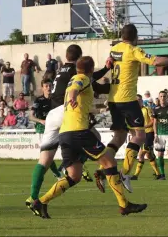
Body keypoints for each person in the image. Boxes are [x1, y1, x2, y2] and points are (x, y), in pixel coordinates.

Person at [32, 56, 147, 218]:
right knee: (109, 162)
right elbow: (76, 88)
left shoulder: (76, 77)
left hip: (65, 133)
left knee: (74, 175)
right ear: (91, 69)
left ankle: (40, 202)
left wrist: (108, 74)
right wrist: (72, 96)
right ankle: (124, 205)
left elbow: (82, 86)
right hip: (79, 132)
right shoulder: (81, 78)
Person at [94, 23, 168, 193]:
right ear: (135, 37)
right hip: (127, 99)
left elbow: (112, 62)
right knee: (140, 136)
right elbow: (156, 61)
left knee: (120, 136)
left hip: (113, 100)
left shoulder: (115, 48)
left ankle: (104, 168)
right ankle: (123, 174)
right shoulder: (133, 50)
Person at [25, 44, 112, 214]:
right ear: (79, 58)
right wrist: (108, 73)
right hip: (65, 111)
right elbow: (91, 79)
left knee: (44, 161)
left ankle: (32, 197)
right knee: (95, 137)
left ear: (66, 56)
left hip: (52, 116)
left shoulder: (59, 71)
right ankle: (75, 163)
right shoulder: (77, 73)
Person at [130, 94, 161, 181]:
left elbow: (153, 121)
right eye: (136, 100)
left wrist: (144, 127)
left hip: (148, 133)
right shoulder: (134, 112)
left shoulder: (147, 109)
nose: (138, 101)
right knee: (148, 154)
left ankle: (135, 175)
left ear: (142, 100)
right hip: (140, 135)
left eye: (139, 100)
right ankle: (159, 174)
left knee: (141, 154)